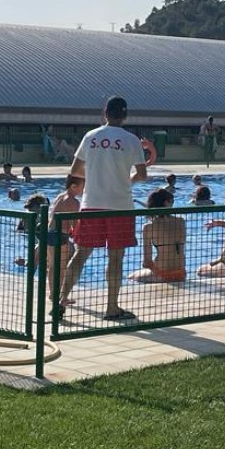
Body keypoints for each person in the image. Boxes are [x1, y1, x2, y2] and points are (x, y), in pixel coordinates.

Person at [57, 96, 148, 321]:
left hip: (91, 205)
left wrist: (98, 176)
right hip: (120, 206)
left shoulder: (91, 136)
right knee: (115, 258)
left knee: (81, 254)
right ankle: (112, 307)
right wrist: (124, 180)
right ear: (125, 116)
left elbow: (75, 171)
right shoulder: (131, 140)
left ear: (105, 113)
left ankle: (60, 301)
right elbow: (143, 174)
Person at [129, 189, 187, 283]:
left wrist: (146, 266)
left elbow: (146, 261)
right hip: (181, 273)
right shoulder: (181, 221)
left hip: (161, 274)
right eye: (172, 201)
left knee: (131, 276)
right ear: (165, 203)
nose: (173, 204)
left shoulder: (148, 227)